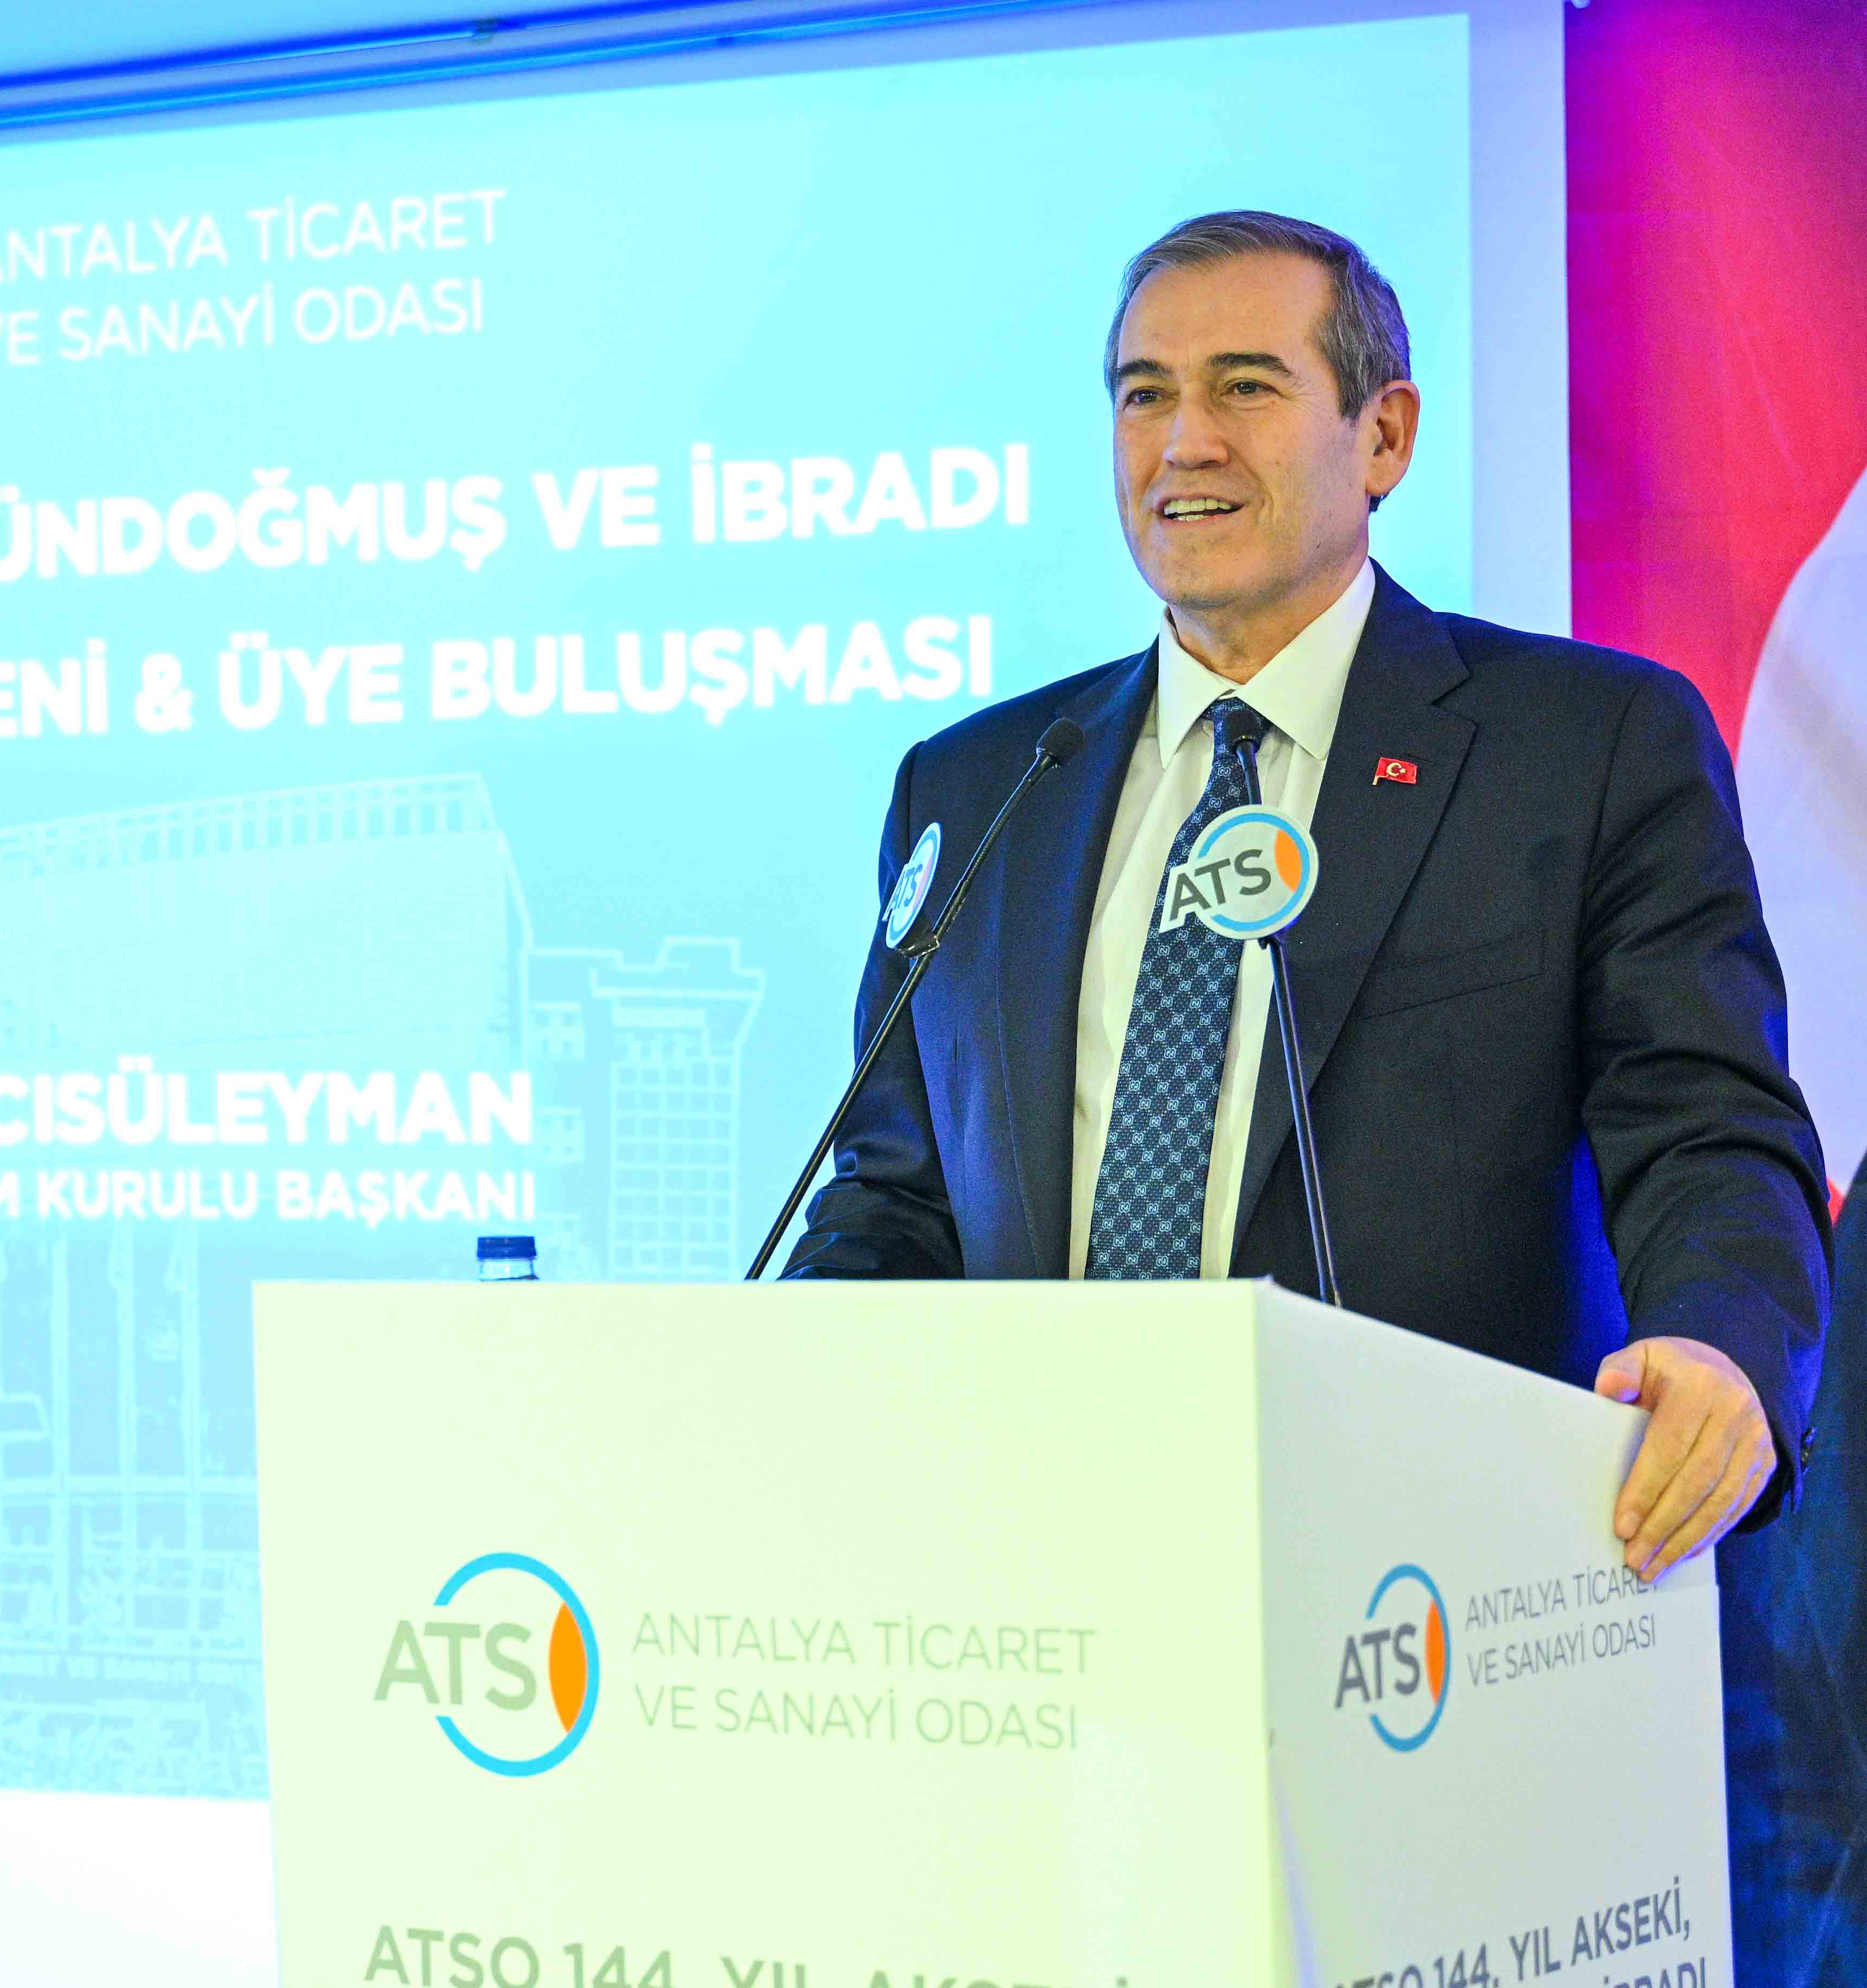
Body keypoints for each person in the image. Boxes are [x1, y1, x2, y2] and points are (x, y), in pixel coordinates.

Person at [782, 211, 1829, 1573]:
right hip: (1043, 1569)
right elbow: (895, 1201)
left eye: (1244, 387)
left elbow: (1702, 1125)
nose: (1183, 442)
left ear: (1382, 436)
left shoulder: (1584, 746)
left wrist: (1720, 1346)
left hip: (1439, 1578)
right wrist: (787, 1390)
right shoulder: (980, 787)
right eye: (1143, 395)